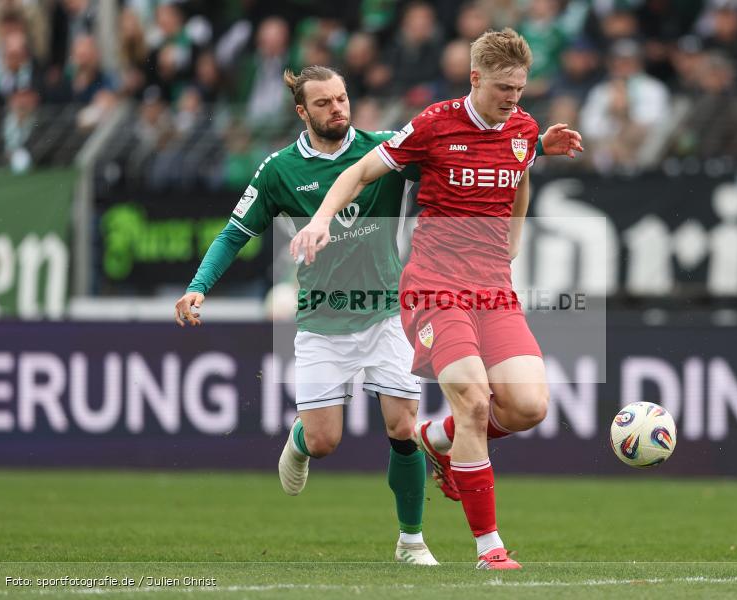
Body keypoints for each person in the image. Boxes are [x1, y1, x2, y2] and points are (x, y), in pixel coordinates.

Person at [175, 64, 581, 566]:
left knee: (403, 426)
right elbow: (235, 232)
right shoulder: (279, 169)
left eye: (342, 98)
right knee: (326, 440)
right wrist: (197, 287)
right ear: (303, 112)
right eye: (323, 103)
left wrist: (536, 144)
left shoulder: (385, 145)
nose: (337, 109)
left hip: (388, 309)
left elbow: (471, 156)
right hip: (323, 319)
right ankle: (300, 439)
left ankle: (411, 540)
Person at [291, 29, 581, 570]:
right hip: (434, 284)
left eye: (520, 88)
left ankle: (438, 438)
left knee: (528, 406)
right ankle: (489, 548)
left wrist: (514, 241)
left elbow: (520, 175)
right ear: (475, 79)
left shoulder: (524, 128)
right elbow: (359, 170)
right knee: (473, 400)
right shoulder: (433, 124)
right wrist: (322, 220)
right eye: (502, 88)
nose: (513, 98)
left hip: (493, 286)